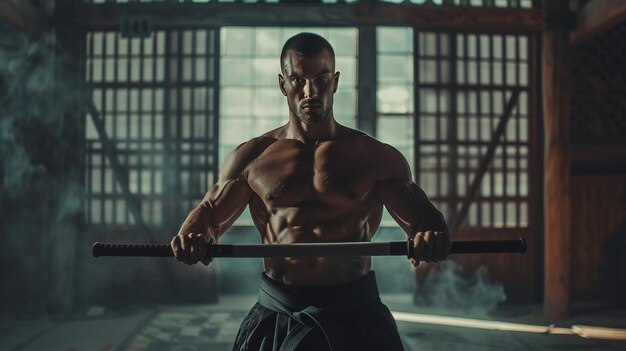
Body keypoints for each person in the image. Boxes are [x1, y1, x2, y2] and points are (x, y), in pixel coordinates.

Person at [171, 32, 451, 351]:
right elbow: (209, 214)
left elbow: (425, 219)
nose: (309, 91)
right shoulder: (252, 158)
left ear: (335, 81)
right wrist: (192, 235)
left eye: (321, 78)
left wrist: (431, 236)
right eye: (298, 79)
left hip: (356, 309)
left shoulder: (374, 156)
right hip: (279, 309)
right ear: (282, 84)